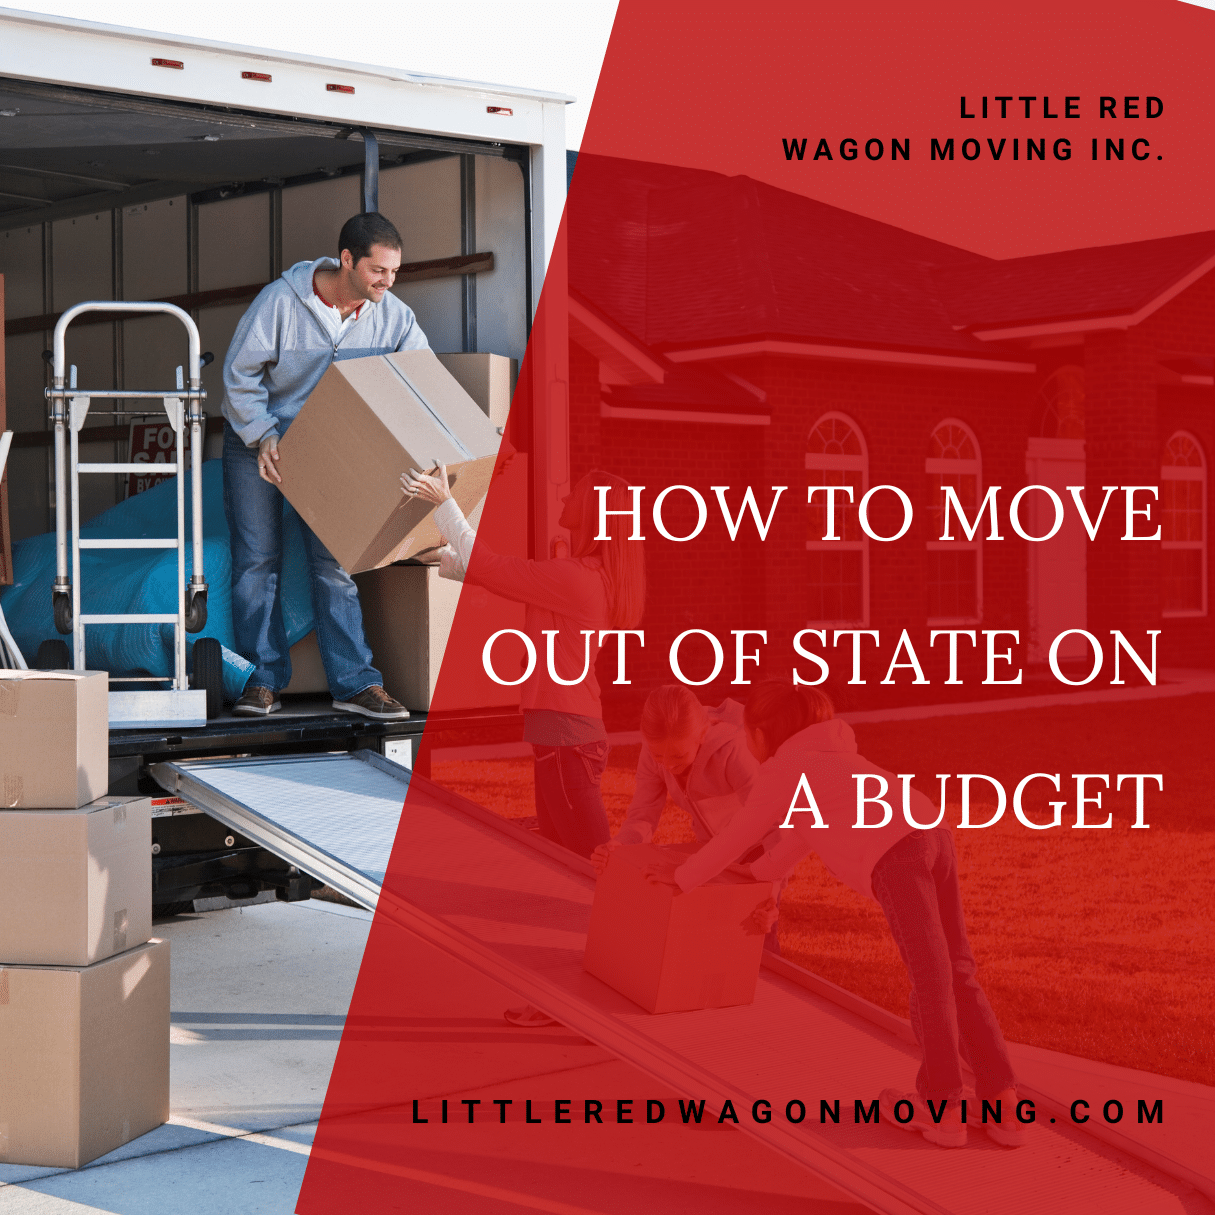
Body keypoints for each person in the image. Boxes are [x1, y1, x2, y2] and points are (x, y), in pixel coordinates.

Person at [641, 681, 1025, 1150]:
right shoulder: (831, 763)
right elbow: (799, 842)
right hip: (931, 830)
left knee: (930, 977)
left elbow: (738, 834)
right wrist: (756, 876)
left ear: (762, 734)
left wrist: (682, 879)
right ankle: (1002, 1102)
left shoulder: (785, 768)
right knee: (957, 969)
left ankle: (941, 1106)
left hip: (897, 852)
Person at [403, 461, 646, 1029]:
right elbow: (493, 574)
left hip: (566, 741)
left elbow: (492, 566)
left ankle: (608, 999)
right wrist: (426, 555)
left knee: (587, 879)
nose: (568, 499)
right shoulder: (581, 576)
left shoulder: (578, 579)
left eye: (578, 494)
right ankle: (569, 1000)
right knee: (570, 878)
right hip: (564, 738)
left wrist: (444, 500)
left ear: (595, 518)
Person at [221, 212, 420, 719]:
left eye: (394, 272)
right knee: (257, 562)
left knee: (335, 568)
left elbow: (418, 380)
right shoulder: (280, 302)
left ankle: (355, 684)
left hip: (330, 451)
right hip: (259, 441)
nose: (388, 282)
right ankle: (260, 681)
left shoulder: (392, 314)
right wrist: (262, 433)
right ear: (347, 260)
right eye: (379, 271)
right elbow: (239, 374)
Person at [591, 685, 783, 953]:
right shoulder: (653, 752)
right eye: (659, 756)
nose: (668, 765)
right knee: (714, 942)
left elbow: (775, 826)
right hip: (711, 851)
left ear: (702, 735)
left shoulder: (733, 751)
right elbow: (642, 816)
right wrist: (620, 846)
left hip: (758, 852)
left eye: (679, 756)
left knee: (756, 940)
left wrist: (770, 895)